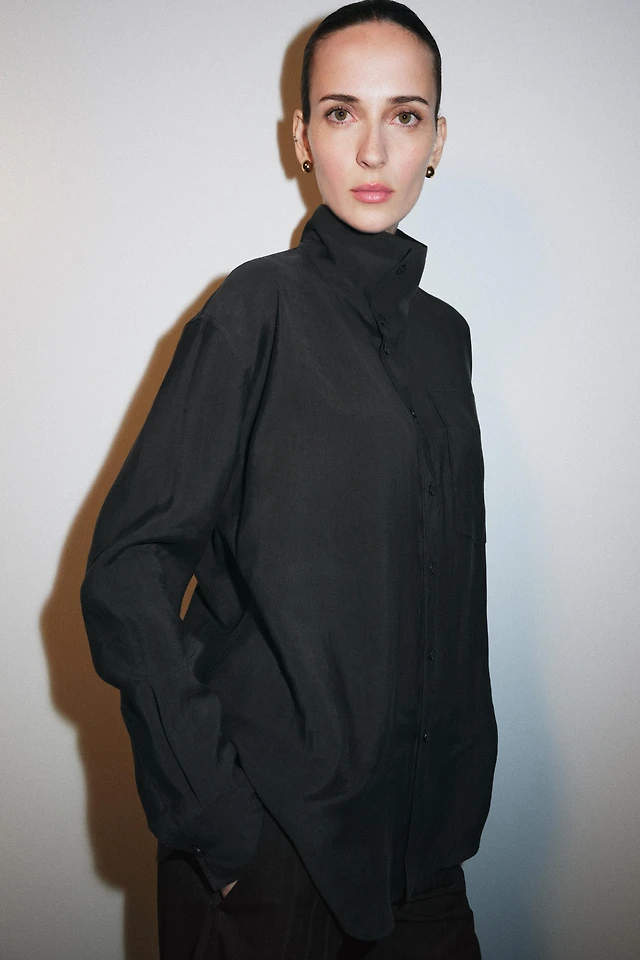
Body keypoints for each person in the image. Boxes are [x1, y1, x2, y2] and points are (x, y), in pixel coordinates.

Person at [80, 1, 498, 957]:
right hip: (274, 849)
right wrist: (215, 818)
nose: (373, 150)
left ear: (436, 141)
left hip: (422, 849)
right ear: (302, 137)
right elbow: (128, 567)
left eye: (404, 115)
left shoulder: (447, 339)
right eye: (343, 113)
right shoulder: (253, 310)